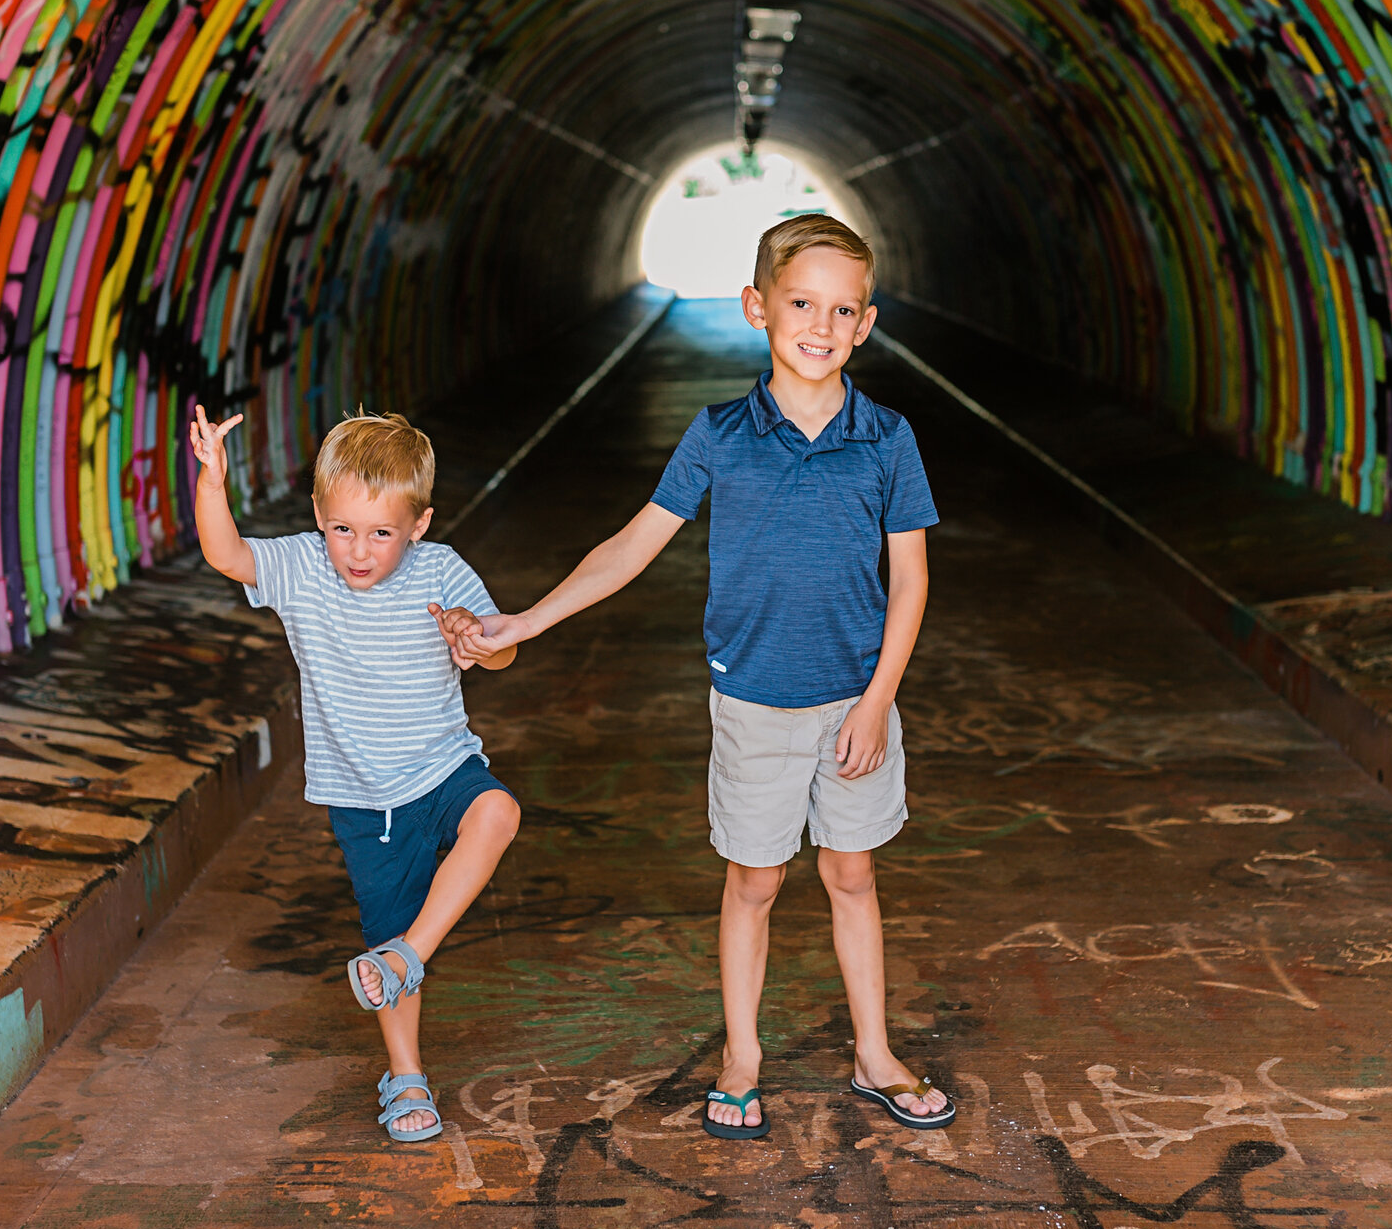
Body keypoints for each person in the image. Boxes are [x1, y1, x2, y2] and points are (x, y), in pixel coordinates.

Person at [445, 215, 953, 1140]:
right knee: (753, 882)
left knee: (851, 872)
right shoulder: (721, 434)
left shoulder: (887, 439)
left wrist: (879, 699)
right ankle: (743, 1055)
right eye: (801, 302)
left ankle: (874, 1052)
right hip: (754, 700)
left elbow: (911, 577)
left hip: (855, 702)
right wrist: (524, 619)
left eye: (842, 310)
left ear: (866, 323)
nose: (820, 324)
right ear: (757, 306)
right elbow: (633, 547)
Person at [189, 406, 521, 1145]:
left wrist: (475, 641)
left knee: (497, 813)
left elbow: (502, 647)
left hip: (441, 766)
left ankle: (410, 955)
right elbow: (227, 554)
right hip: (364, 798)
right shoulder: (303, 566)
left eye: (381, 533)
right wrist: (213, 478)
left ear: (420, 523)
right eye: (343, 528)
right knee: (385, 927)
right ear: (319, 515)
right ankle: (405, 1074)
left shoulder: (442, 570)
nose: (359, 551)